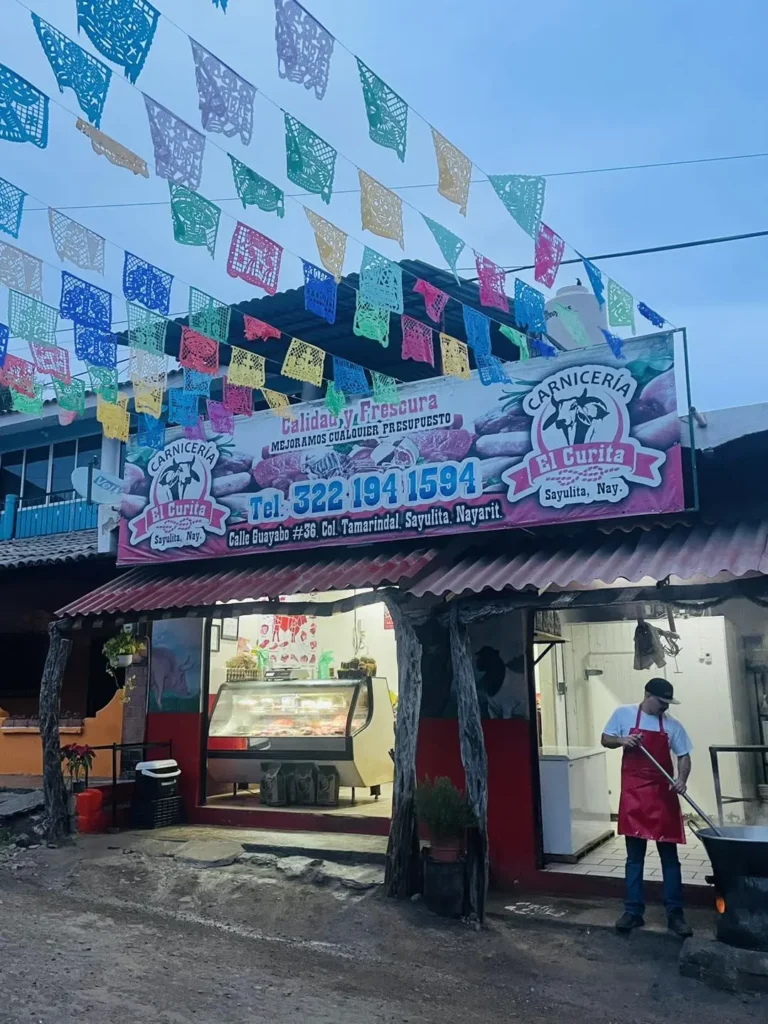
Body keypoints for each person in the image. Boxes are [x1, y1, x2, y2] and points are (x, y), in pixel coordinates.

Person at [601, 677, 693, 938]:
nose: (665, 708)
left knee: (670, 859)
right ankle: (633, 912)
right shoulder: (624, 714)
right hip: (634, 795)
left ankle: (675, 914)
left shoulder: (673, 725)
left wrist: (682, 780)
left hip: (663, 795)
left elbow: (684, 754)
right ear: (648, 695)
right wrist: (623, 741)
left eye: (667, 704)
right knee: (634, 858)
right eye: (661, 703)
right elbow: (605, 739)